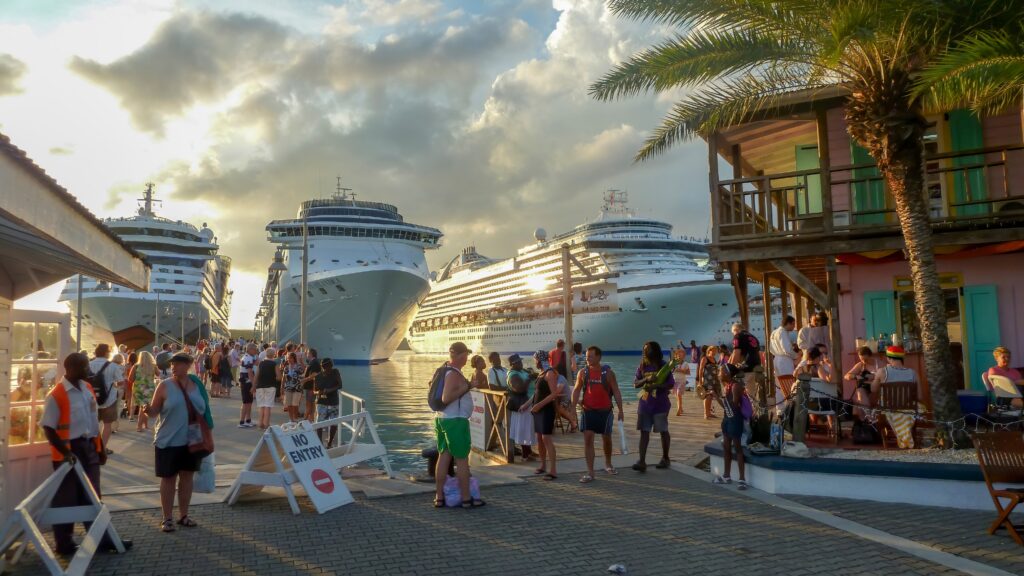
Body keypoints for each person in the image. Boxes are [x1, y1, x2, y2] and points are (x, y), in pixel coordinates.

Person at [41, 352, 132, 555]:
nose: (89, 371)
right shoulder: (57, 395)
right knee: (67, 498)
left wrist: (99, 447)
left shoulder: (87, 388)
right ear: (71, 369)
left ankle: (102, 539)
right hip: (68, 451)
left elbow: (92, 423)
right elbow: (48, 428)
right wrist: (65, 452)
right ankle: (63, 543)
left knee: (93, 496)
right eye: (84, 367)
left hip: (88, 446)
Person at [145, 352, 212, 533]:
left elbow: (204, 410)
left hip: (191, 441)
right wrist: (147, 409)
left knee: (187, 477)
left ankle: (183, 515)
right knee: (168, 479)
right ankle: (167, 518)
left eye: (179, 363)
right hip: (168, 440)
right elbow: (154, 412)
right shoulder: (164, 385)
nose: (173, 367)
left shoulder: (197, 385)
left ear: (189, 365)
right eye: (172, 364)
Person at [432, 342, 486, 508]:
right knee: (462, 459)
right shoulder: (453, 373)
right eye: (466, 355)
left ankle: (439, 497)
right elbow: (446, 398)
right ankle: (465, 498)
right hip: (455, 421)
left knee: (444, 456)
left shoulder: (443, 370)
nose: (467, 358)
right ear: (462, 355)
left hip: (443, 419)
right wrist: (468, 386)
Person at [572, 345, 624, 483]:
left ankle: (608, 463)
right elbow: (577, 390)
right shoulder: (582, 373)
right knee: (588, 439)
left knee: (606, 438)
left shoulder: (608, 374)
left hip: (605, 412)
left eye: (590, 356)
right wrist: (572, 407)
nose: (587, 358)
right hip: (588, 411)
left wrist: (621, 410)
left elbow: (616, 391)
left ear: (599, 357)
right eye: (587, 356)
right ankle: (590, 472)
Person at [633, 341, 673, 471]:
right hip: (645, 403)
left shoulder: (664, 366)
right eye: (644, 349)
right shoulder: (642, 366)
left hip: (660, 404)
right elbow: (636, 384)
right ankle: (642, 461)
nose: (645, 352)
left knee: (663, 431)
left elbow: (671, 384)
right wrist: (646, 380)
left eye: (648, 349)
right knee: (644, 432)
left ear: (655, 350)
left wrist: (657, 386)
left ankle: (665, 458)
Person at [521, 350, 562, 481]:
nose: (535, 363)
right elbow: (537, 393)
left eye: (535, 360)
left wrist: (539, 405)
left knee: (546, 438)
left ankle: (553, 470)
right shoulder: (541, 374)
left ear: (539, 360)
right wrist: (528, 404)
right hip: (538, 410)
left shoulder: (549, 373)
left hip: (547, 410)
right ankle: (543, 464)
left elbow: (554, 394)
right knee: (539, 438)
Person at [711, 371, 752, 490]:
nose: (719, 373)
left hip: (735, 420)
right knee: (726, 447)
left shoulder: (735, 386)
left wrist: (719, 397)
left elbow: (733, 405)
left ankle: (742, 479)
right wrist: (716, 396)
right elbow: (726, 407)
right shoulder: (727, 386)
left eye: (721, 371)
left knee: (738, 448)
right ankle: (726, 476)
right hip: (727, 419)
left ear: (728, 373)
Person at [89, 344, 124, 455]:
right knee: (107, 424)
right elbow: (120, 381)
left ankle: (93, 447)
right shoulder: (113, 366)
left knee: (93, 424)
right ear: (106, 353)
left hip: (92, 399)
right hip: (109, 399)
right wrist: (113, 384)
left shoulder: (89, 364)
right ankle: (102, 448)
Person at [505, 354, 535, 461]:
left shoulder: (523, 371)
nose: (521, 364)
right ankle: (526, 454)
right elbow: (519, 389)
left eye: (521, 362)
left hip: (530, 402)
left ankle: (529, 451)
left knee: (528, 428)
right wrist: (528, 379)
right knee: (523, 429)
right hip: (522, 404)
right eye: (518, 362)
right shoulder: (512, 375)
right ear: (513, 364)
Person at [769, 316, 800, 411]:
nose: (794, 327)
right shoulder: (782, 332)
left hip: (776, 359)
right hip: (784, 360)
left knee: (779, 385)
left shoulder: (774, 332)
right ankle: (789, 407)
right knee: (788, 383)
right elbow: (787, 349)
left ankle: (780, 409)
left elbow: (771, 349)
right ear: (789, 323)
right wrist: (797, 356)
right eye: (793, 324)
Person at [314, 358, 342, 447]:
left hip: (333, 401)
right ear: (323, 367)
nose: (327, 369)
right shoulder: (318, 376)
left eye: (329, 367)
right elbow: (314, 390)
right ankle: (320, 443)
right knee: (320, 422)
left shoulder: (335, 372)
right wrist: (318, 392)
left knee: (334, 423)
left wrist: (329, 390)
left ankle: (329, 443)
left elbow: (340, 385)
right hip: (321, 402)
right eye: (325, 367)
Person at [697, 345, 726, 419]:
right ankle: (706, 414)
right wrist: (700, 382)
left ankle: (709, 413)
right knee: (708, 396)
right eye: (712, 351)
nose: (714, 352)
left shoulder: (714, 359)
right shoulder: (705, 358)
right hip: (707, 381)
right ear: (709, 351)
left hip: (715, 380)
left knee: (712, 396)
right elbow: (700, 370)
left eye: (715, 351)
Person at [133, 352, 159, 432]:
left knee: (143, 407)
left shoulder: (136, 366)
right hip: (149, 389)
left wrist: (139, 380)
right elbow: (158, 374)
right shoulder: (153, 366)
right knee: (146, 407)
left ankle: (144, 425)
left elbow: (131, 378)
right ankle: (140, 426)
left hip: (138, 388)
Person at [254, 348, 279, 429]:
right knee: (268, 405)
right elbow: (279, 377)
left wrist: (253, 386)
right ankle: (266, 424)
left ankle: (260, 423)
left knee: (261, 406)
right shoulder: (274, 364)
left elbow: (256, 376)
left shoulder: (261, 363)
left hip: (260, 386)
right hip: (270, 386)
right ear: (273, 355)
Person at [281, 352, 304, 422]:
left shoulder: (298, 366)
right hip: (288, 388)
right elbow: (283, 378)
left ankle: (295, 418)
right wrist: (281, 388)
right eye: (288, 358)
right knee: (289, 405)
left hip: (297, 388)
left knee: (295, 404)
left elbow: (303, 372)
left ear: (294, 358)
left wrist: (302, 363)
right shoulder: (286, 367)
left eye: (290, 358)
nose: (289, 359)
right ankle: (291, 419)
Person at [300, 348, 321, 420]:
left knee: (309, 405)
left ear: (311, 354)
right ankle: (311, 420)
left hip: (311, 387)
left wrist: (303, 380)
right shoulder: (313, 362)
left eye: (308, 353)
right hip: (311, 387)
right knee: (311, 405)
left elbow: (314, 375)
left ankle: (304, 421)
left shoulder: (314, 363)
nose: (307, 354)